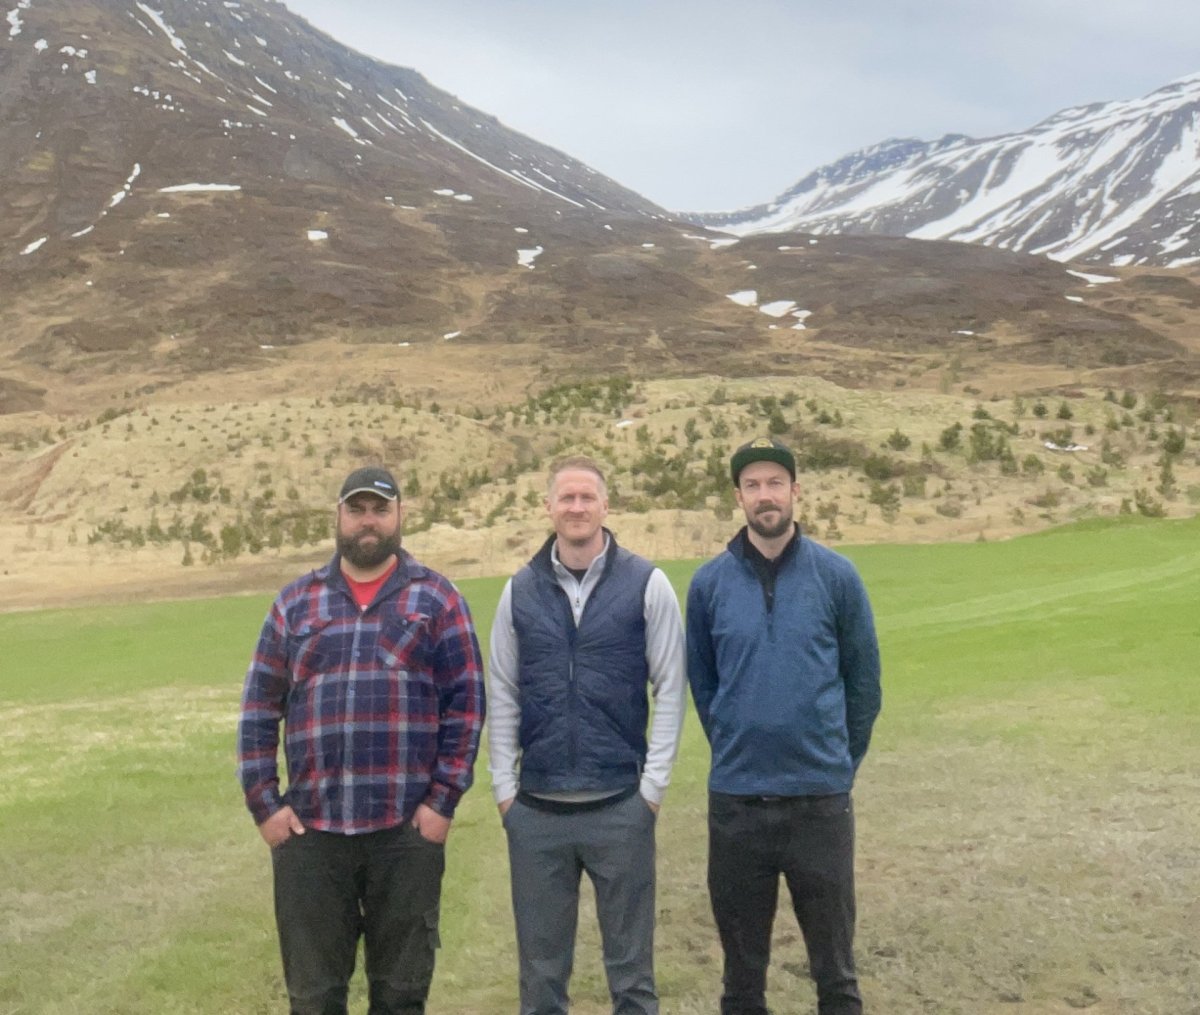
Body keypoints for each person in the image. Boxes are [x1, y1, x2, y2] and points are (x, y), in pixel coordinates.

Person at [237, 465, 486, 1015]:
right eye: (357, 509)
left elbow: (466, 704)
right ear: (339, 516)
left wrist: (441, 803)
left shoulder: (437, 599)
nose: (368, 521)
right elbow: (259, 708)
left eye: (380, 509)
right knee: (313, 998)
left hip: (405, 832)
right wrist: (265, 806)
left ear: (400, 515)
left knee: (400, 995)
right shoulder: (295, 603)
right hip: (311, 834)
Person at [686, 438, 882, 1015]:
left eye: (775, 483)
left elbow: (864, 684)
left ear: (795, 491)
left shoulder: (837, 576)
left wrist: (837, 763)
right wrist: (737, 745)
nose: (764, 495)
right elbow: (705, 685)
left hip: (819, 804)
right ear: (738, 497)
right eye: (752, 485)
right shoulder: (708, 585)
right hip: (738, 804)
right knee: (742, 980)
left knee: (836, 975)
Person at [487, 454, 686, 1015]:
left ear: (605, 505)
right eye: (566, 497)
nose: (576, 507)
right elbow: (501, 690)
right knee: (541, 981)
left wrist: (652, 789)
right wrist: (504, 790)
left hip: (620, 806)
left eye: (587, 497)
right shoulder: (519, 591)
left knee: (632, 979)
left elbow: (671, 687)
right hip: (537, 811)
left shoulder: (647, 584)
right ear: (548, 507)